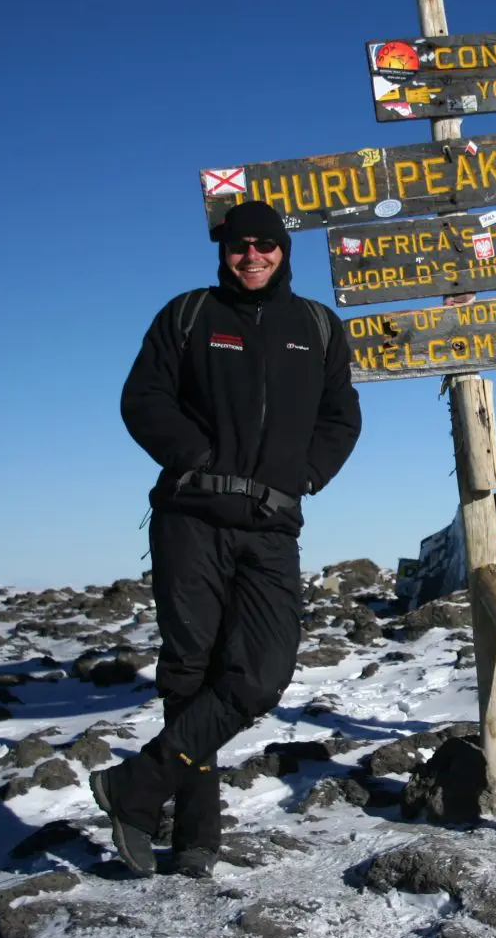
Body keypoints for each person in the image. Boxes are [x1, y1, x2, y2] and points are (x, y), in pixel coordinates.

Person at [97, 200, 362, 878]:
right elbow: (142, 398)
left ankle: (136, 787)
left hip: (273, 525)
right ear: (224, 250)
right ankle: (195, 840)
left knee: (262, 673)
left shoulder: (318, 327)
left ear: (283, 251)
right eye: (241, 246)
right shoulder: (188, 315)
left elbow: (341, 417)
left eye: (266, 246)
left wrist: (305, 473)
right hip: (192, 517)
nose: (253, 257)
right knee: (191, 673)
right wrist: (198, 456)